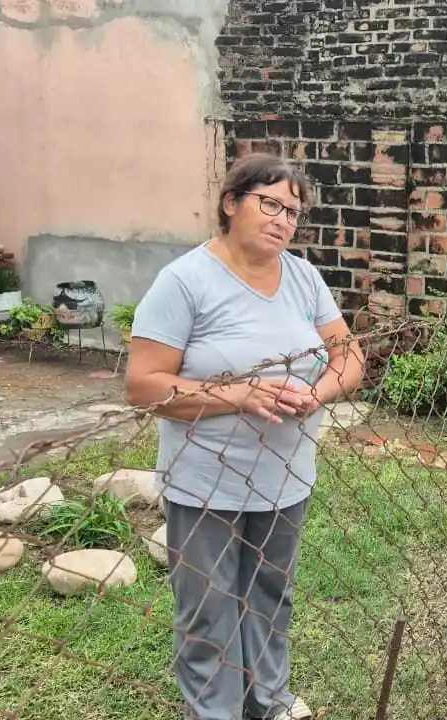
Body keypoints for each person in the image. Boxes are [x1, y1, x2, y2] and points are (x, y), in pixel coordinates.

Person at [124, 153, 364, 720]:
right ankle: (216, 712)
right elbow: (143, 385)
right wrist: (239, 394)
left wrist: (319, 392)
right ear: (232, 203)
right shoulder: (185, 280)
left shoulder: (304, 278)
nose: (284, 219)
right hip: (207, 482)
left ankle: (269, 701)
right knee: (208, 613)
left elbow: (347, 353)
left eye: (294, 211)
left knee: (270, 598)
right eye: (270, 203)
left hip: (286, 478)